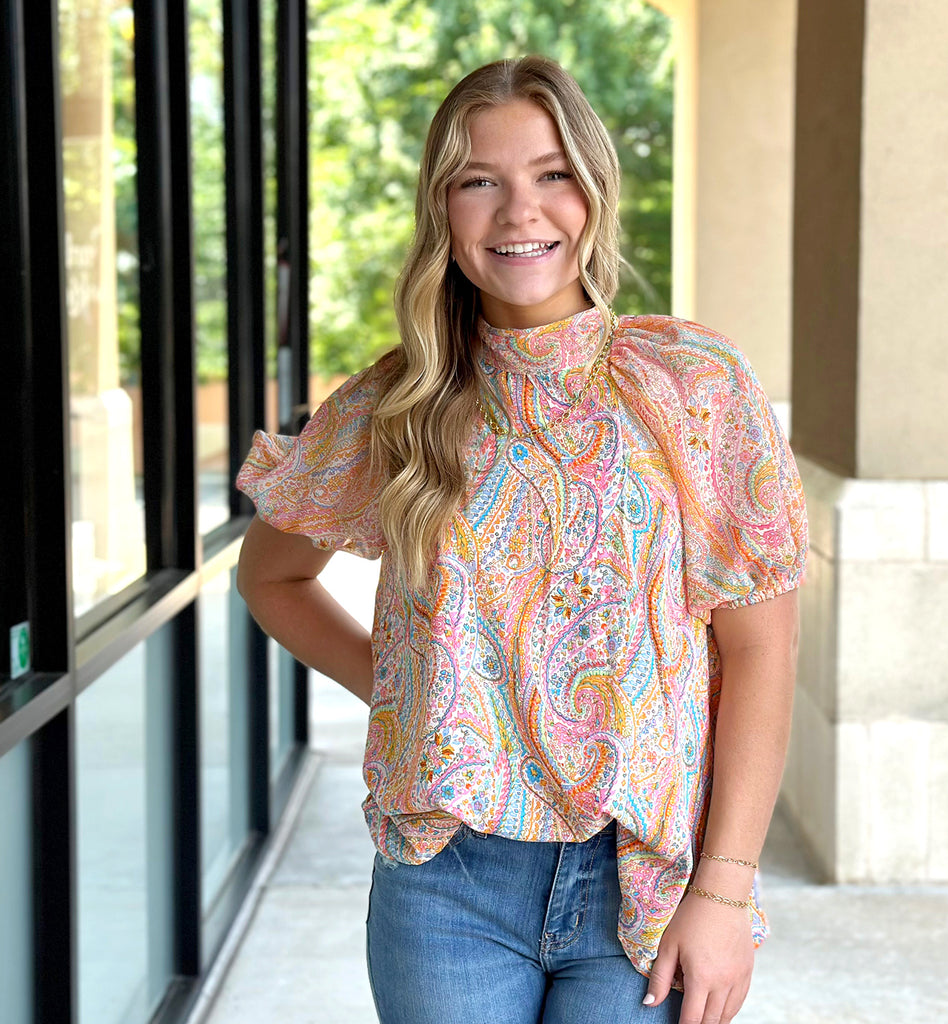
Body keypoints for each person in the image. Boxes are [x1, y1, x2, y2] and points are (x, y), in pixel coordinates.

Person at [236, 55, 806, 1024]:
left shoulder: (691, 383)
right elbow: (273, 577)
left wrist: (724, 887)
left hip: (643, 880)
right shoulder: (395, 403)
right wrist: (411, 688)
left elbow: (760, 648)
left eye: (549, 174)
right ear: (441, 208)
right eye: (477, 181)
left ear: (591, 188)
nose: (518, 212)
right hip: (445, 882)